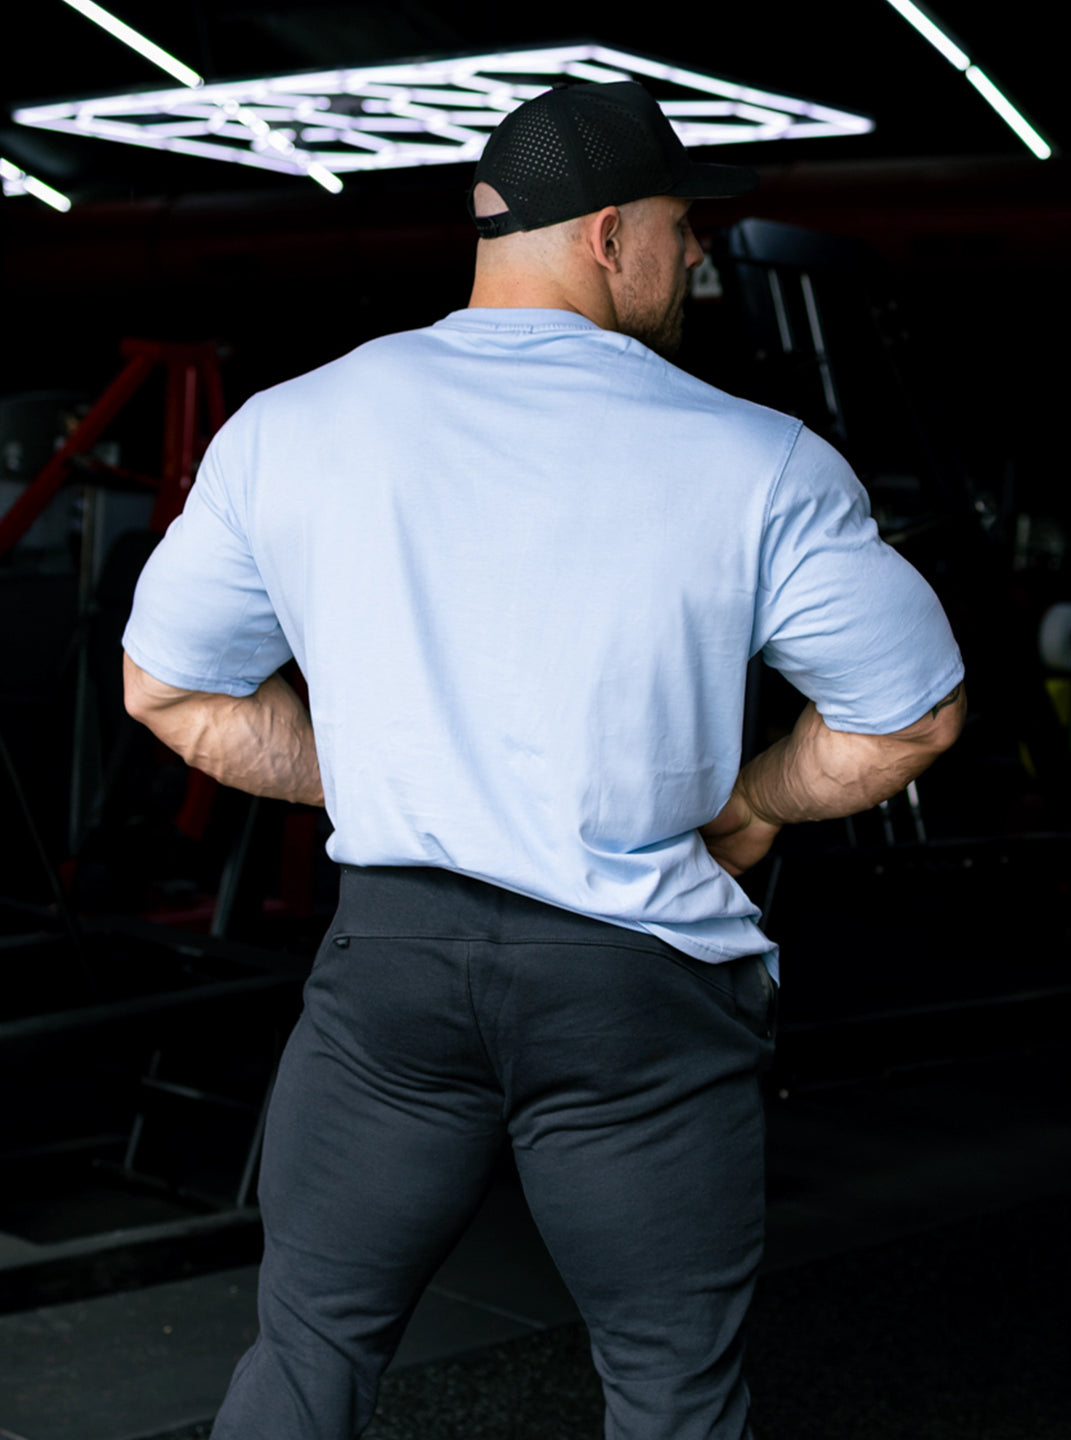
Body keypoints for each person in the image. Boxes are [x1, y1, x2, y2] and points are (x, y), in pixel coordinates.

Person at [122, 80, 965, 1440]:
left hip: (391, 981)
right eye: (685, 231)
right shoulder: (759, 459)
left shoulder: (295, 424)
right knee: (670, 1394)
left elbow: (165, 689)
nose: (697, 261)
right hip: (635, 991)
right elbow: (912, 720)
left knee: (307, 1357)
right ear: (611, 232)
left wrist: (408, 779)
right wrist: (753, 803)